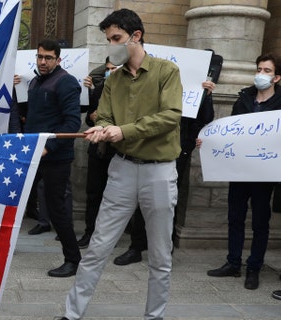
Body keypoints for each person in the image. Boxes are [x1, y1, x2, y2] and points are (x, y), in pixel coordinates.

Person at [60, 9, 183, 319]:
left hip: (159, 170)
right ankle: (72, 313)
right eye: (108, 39)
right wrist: (101, 128)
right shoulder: (113, 79)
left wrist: (122, 130)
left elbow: (170, 117)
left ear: (136, 36)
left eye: (116, 38)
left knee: (159, 253)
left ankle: (154, 316)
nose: (111, 45)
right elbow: (103, 115)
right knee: (98, 246)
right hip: (122, 169)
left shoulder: (166, 71)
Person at [112, 79, 216, 265]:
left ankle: (163, 251)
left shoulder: (196, 91)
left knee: (168, 201)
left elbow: (205, 119)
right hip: (150, 148)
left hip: (177, 151)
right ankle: (136, 247)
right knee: (141, 197)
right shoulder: (159, 84)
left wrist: (207, 96)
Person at [206, 52, 281, 290]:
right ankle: (233, 263)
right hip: (239, 170)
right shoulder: (243, 99)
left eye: (267, 71)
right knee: (235, 218)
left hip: (264, 173)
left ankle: (254, 267)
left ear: (277, 78)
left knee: (260, 222)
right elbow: (229, 130)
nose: (261, 74)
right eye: (259, 69)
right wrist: (209, 140)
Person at [23, 39, 82, 277]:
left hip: (55, 157)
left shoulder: (66, 82)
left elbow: (72, 123)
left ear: (58, 59)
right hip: (32, 151)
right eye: (40, 57)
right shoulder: (36, 81)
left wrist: (48, 147)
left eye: (48, 58)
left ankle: (72, 259)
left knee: (56, 208)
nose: (43, 61)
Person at [76, 58, 119, 249]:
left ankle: (110, 237)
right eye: (107, 69)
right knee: (93, 193)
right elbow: (89, 117)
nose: (110, 72)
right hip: (98, 151)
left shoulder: (132, 91)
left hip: (118, 152)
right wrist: (93, 117)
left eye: (113, 69)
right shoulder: (100, 88)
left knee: (116, 197)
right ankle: (89, 232)